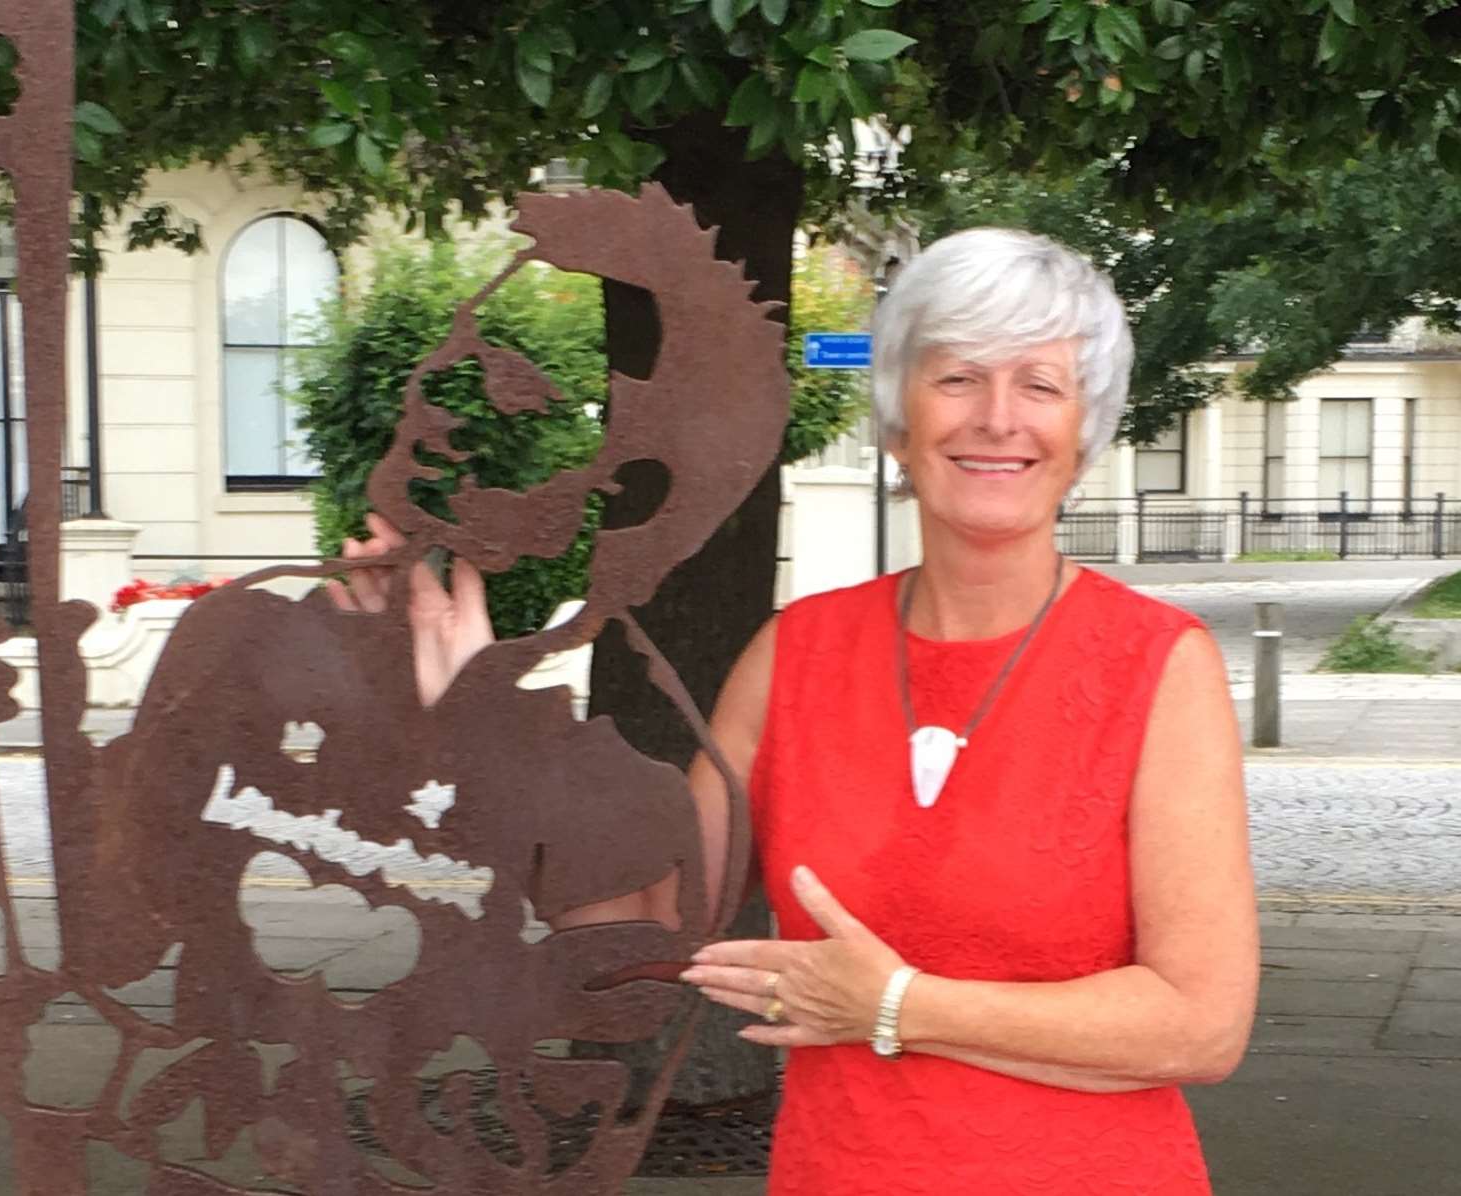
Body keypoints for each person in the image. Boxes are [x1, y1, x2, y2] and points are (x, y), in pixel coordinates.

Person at [336, 227, 1258, 1194]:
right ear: (897, 417)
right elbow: (647, 932)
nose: (997, 417)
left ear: (1084, 428)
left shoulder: (1159, 669)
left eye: (1039, 384)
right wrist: (480, 732)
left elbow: (1198, 1024)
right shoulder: (799, 655)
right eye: (955, 378)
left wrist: (897, 1006)